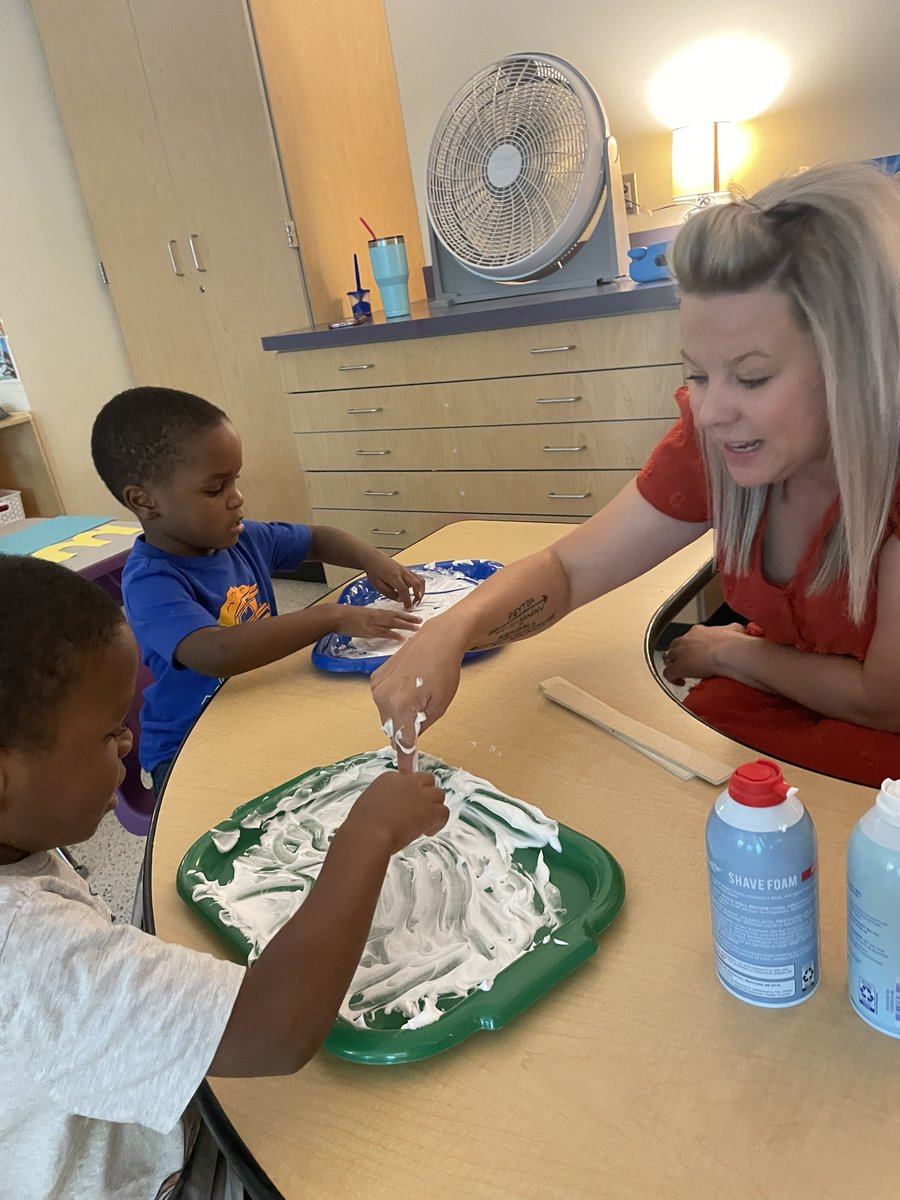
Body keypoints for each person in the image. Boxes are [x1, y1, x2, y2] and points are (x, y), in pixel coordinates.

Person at [371, 160, 900, 788]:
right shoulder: (720, 445)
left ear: (855, 365)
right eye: (697, 374)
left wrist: (735, 651)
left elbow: (881, 702)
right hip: (770, 714)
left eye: (752, 378)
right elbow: (569, 571)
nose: (710, 412)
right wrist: (450, 630)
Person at [0, 554, 446, 1200]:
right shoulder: (32, 958)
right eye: (106, 735)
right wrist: (366, 834)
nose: (129, 745)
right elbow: (275, 1030)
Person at [92, 387, 426, 794]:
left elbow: (318, 539)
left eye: (235, 480)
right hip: (190, 748)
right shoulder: (150, 581)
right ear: (145, 501)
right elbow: (216, 653)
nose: (237, 499)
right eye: (215, 489)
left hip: (258, 707)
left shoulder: (243, 538)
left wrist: (374, 560)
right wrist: (329, 616)